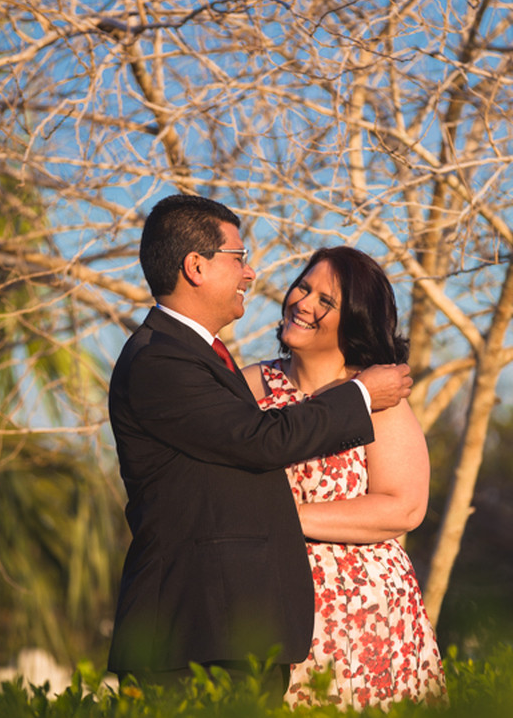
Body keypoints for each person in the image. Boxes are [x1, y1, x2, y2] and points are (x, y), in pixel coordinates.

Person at [106, 195, 412, 690]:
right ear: (196, 266)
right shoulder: (159, 360)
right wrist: (361, 395)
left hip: (235, 629)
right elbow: (259, 440)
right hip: (195, 634)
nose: (251, 275)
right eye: (240, 257)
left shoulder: (197, 357)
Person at [241, 246, 447, 710]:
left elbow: (404, 506)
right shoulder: (250, 385)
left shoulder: (380, 395)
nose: (303, 303)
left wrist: (285, 517)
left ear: (352, 319)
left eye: (325, 301)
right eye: (303, 286)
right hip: (266, 598)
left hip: (365, 612)